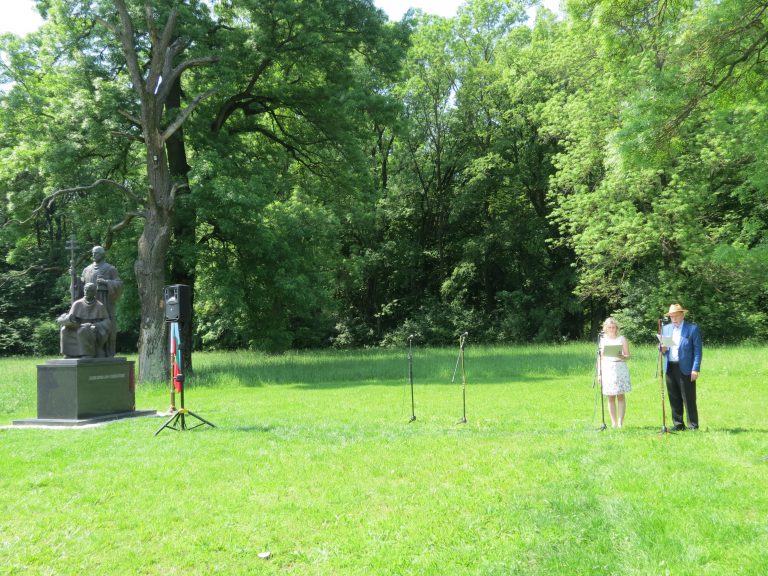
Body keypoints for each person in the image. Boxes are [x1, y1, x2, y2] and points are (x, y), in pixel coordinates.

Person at [660, 303, 703, 430]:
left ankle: (693, 425)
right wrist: (662, 348)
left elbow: (698, 351)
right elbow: (663, 349)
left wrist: (695, 369)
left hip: (686, 368)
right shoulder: (666, 329)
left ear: (682, 315)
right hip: (670, 367)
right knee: (674, 397)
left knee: (689, 397)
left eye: (676, 316)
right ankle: (678, 424)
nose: (674, 319)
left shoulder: (692, 329)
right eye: (671, 316)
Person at [75, 245, 123, 356]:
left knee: (105, 324)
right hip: (89, 302)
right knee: (88, 324)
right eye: (93, 253)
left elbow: (119, 284)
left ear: (102, 254)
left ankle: (106, 351)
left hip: (105, 300)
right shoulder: (87, 270)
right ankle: (88, 350)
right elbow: (80, 286)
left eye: (96, 253)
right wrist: (74, 277)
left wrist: (106, 282)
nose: (93, 255)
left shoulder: (110, 269)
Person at [57, 282, 111, 358]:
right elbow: (71, 317)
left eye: (89, 290)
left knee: (83, 330)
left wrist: (95, 325)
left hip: (92, 328)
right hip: (77, 326)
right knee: (64, 330)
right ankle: (69, 353)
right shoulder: (77, 304)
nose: (86, 292)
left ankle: (87, 354)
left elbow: (107, 322)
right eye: (85, 290)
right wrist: (67, 320)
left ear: (94, 292)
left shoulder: (99, 305)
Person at [598, 317, 632, 427]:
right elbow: (600, 358)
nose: (612, 329)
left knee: (621, 395)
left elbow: (628, 356)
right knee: (610, 396)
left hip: (620, 367)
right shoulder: (603, 340)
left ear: (616, 328)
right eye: (609, 327)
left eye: (613, 327)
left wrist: (623, 356)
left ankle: (620, 422)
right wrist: (599, 374)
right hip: (608, 368)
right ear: (606, 328)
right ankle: (614, 422)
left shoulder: (622, 339)